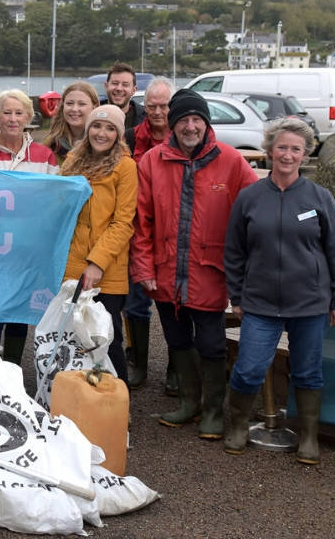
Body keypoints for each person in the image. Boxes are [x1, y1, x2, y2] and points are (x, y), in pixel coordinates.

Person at [223, 118, 335, 465]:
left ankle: (308, 437)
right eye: (282, 147)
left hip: (309, 303)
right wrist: (237, 296)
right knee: (249, 369)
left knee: (308, 371)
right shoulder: (250, 197)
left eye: (296, 149)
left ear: (305, 154)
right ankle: (237, 426)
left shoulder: (319, 198)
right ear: (269, 151)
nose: (288, 155)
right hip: (260, 303)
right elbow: (233, 251)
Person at [132, 88, 255, 440]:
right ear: (172, 125)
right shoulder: (152, 161)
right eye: (183, 120)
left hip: (210, 271)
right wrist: (143, 268)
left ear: (206, 123)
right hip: (165, 271)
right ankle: (190, 402)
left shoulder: (231, 161)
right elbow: (142, 222)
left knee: (212, 343)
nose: (190, 126)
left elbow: (253, 211)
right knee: (177, 339)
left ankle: (215, 410)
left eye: (196, 119)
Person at [0, 89, 59, 363]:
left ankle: (13, 369)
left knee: (20, 312)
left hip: (28, 251)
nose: (13, 118)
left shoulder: (44, 155)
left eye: (19, 113)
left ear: (28, 117)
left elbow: (55, 200)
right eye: (7, 112)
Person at [61, 105, 138, 382]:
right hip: (71, 264)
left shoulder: (125, 167)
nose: (101, 133)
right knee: (73, 336)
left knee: (106, 336)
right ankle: (76, 397)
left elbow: (123, 222)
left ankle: (117, 401)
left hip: (107, 268)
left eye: (109, 128)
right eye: (96, 126)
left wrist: (97, 262)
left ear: (118, 134)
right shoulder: (71, 162)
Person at [125, 77, 176, 391]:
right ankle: (139, 364)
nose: (157, 111)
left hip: (173, 231)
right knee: (134, 303)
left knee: (174, 303)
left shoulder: (184, 135)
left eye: (164, 106)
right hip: (138, 229)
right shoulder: (131, 137)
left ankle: (176, 368)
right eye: (152, 105)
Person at [43, 81, 99, 163]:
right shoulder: (51, 143)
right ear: (63, 106)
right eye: (69, 103)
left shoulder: (102, 143)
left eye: (82, 104)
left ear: (95, 107)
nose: (74, 109)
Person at [103, 62, 144, 143]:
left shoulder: (146, 118)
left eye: (125, 85)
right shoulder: (91, 113)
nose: (119, 88)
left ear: (134, 90)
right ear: (106, 86)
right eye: (115, 83)